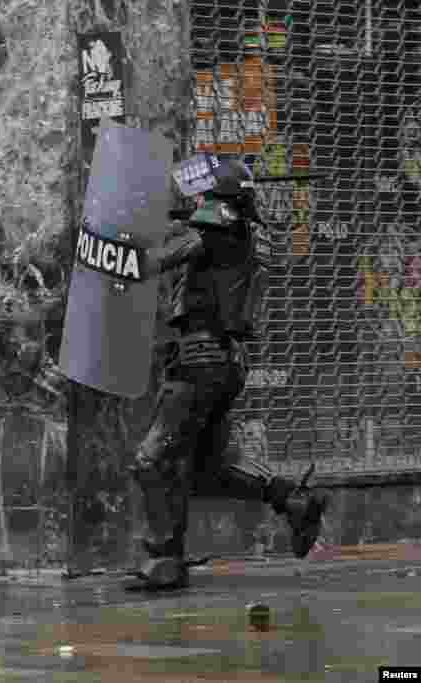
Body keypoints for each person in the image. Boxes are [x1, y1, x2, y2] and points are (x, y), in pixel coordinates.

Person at [130, 153, 329, 590]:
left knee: (151, 459)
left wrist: (117, 235)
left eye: (202, 195)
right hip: (222, 361)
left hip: (200, 361)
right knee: (209, 470)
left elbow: (147, 262)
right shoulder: (238, 232)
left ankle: (164, 561)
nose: (195, 202)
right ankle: (292, 499)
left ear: (218, 199)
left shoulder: (218, 230)